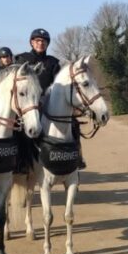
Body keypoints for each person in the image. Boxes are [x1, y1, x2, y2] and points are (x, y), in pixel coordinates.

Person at [16, 28, 86, 169]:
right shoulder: (22, 59)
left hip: (47, 102)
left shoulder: (53, 62)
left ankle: (77, 157)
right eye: (37, 41)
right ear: (32, 42)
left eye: (44, 41)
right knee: (17, 129)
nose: (40, 43)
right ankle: (21, 161)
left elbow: (59, 84)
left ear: (47, 44)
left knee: (74, 124)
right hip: (27, 103)